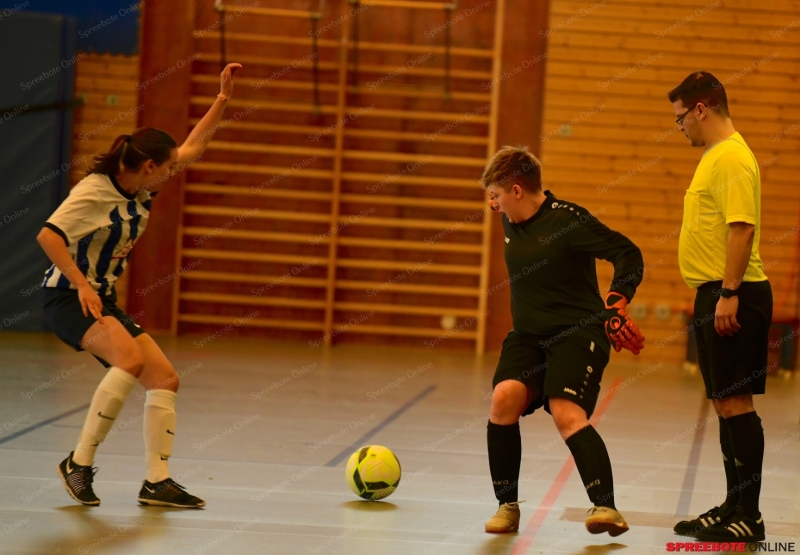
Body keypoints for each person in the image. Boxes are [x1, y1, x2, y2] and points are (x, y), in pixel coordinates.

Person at [38, 63, 243, 508]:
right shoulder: (94, 192)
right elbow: (48, 236)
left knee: (165, 378)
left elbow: (193, 146)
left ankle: (156, 482)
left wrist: (222, 99)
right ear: (150, 166)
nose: (172, 170)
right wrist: (82, 285)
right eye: (166, 167)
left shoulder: (141, 187)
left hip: (101, 299)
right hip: (68, 297)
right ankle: (78, 464)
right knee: (129, 360)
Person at [480, 146, 645, 535]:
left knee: (565, 410)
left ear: (517, 190)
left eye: (497, 195)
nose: (493, 204)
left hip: (578, 333)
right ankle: (507, 507)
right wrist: (495, 197)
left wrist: (617, 302)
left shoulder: (569, 221)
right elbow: (501, 201)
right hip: (528, 337)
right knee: (503, 398)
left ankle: (606, 507)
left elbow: (627, 253)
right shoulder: (509, 213)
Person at [668, 72, 771, 543]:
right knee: (724, 404)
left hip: (735, 294)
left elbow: (741, 228)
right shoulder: (715, 155)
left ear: (701, 109)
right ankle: (733, 505)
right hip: (715, 292)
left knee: (736, 403)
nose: (680, 127)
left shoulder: (731, 156)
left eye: (681, 118)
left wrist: (729, 293)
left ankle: (749, 514)